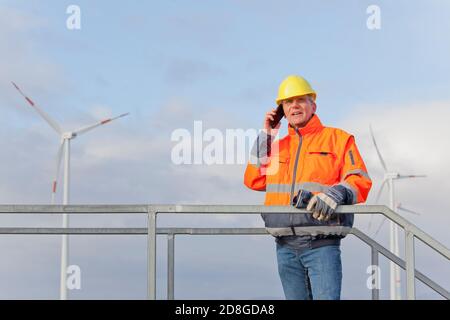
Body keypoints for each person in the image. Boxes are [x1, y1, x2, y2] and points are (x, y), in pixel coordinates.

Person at [244, 75, 372, 300]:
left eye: (300, 100)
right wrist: (268, 133)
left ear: (313, 104)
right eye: (287, 102)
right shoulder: (278, 147)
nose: (294, 105)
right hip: (285, 248)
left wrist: (336, 193)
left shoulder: (338, 139)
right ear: (281, 110)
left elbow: (359, 179)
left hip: (321, 245)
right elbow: (254, 179)